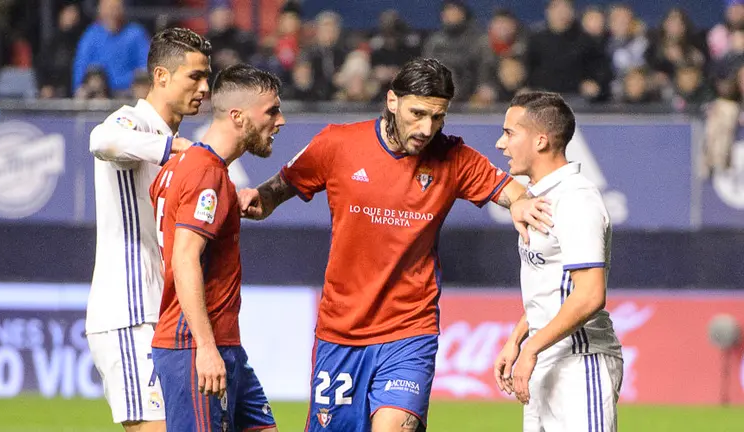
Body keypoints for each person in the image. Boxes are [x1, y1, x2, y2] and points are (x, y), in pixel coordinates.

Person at [238, 57, 551, 432]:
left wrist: (521, 204)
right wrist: (256, 200)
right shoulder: (337, 143)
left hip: (409, 330)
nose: (426, 128)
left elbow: (513, 192)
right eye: (417, 113)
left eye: (438, 117)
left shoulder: (454, 157)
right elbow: (278, 189)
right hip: (341, 333)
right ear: (392, 101)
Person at [85, 27, 211, 431]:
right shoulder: (132, 122)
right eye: (195, 76)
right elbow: (100, 140)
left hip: (161, 312)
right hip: (129, 311)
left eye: (207, 77)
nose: (205, 88)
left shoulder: (174, 138)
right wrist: (173, 148)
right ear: (161, 76)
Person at [149, 64, 285, 432]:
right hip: (195, 346)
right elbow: (185, 257)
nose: (281, 120)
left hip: (223, 344)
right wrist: (206, 349)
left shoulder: (183, 167)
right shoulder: (206, 174)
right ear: (238, 116)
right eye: (271, 111)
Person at [492, 91, 623, 432]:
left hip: (580, 361)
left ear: (540, 140)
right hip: (546, 356)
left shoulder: (576, 200)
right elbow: (554, 286)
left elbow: (590, 294)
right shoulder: (538, 199)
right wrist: (519, 337)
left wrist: (532, 346)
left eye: (509, 133)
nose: (499, 144)